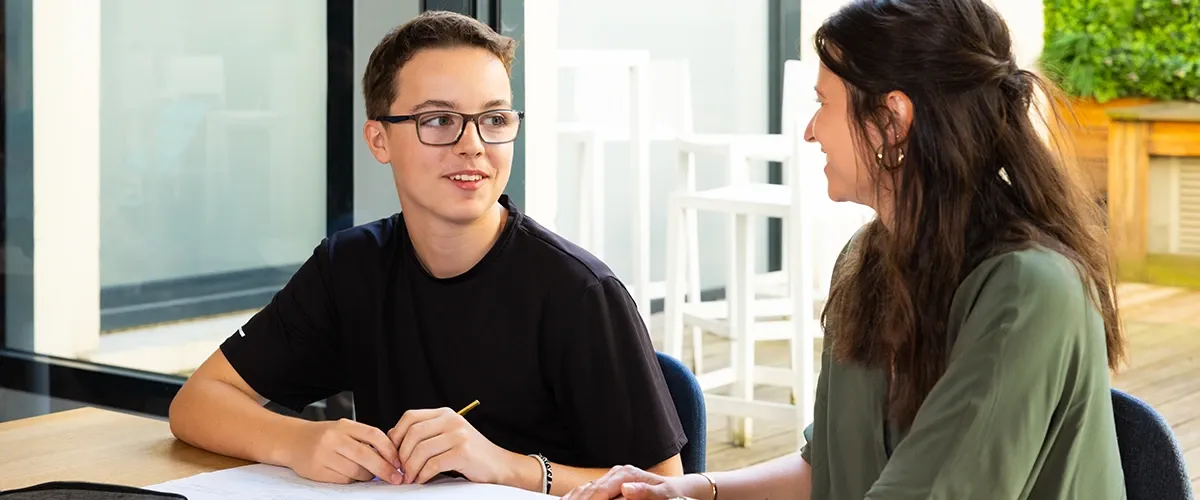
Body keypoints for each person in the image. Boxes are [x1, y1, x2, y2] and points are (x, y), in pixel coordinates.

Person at [564, 0, 1129, 498]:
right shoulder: (868, 259)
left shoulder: (1029, 291)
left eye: (823, 103)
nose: (810, 131)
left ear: (891, 119)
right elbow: (826, 472)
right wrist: (689, 489)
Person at [168, 10, 685, 496]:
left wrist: (505, 466)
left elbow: (664, 488)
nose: (473, 144)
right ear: (379, 140)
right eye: (439, 120)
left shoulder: (579, 292)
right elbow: (197, 403)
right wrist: (299, 440)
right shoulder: (351, 267)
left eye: (494, 119)